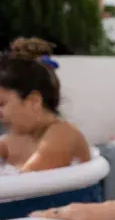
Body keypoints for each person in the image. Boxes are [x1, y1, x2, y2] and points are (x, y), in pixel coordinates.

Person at [0, 38, 91, 173]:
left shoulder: (63, 135)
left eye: (1, 104)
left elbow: (27, 182)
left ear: (34, 102)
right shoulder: (12, 141)